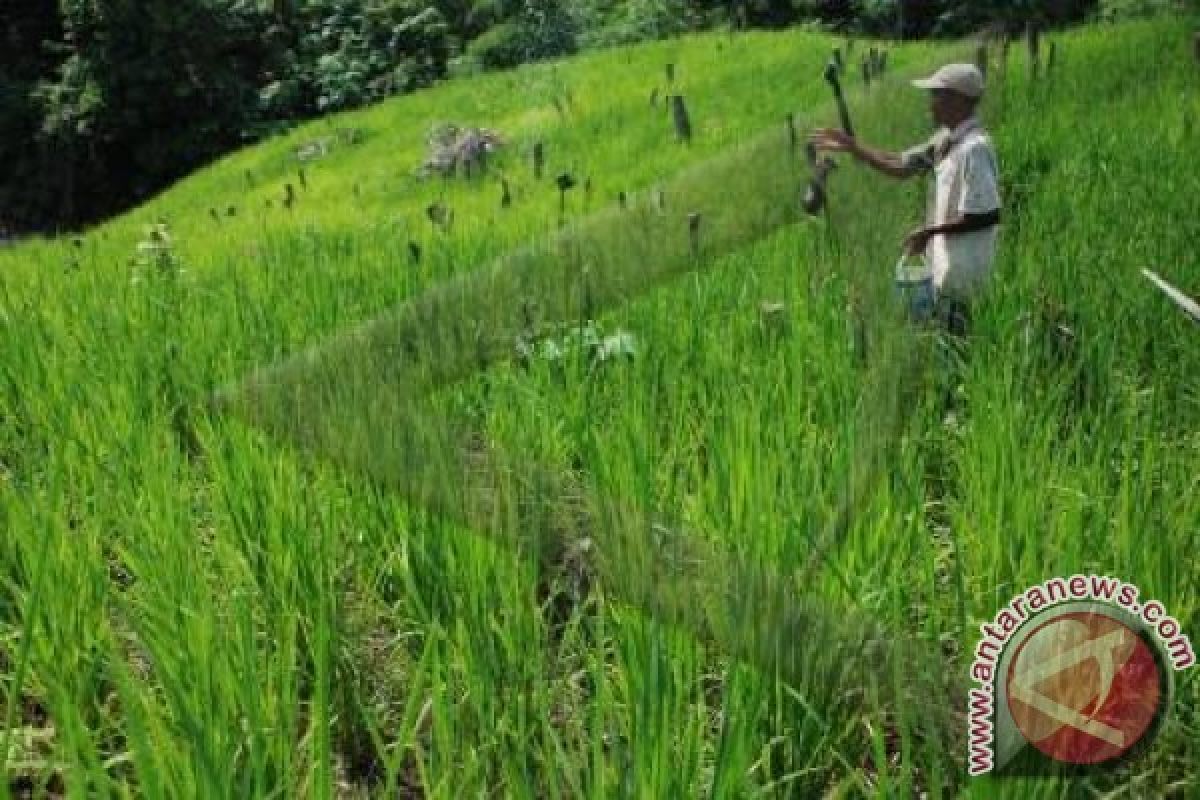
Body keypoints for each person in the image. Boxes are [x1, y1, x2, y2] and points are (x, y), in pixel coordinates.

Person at [809, 63, 1001, 335]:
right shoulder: (946, 142)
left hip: (967, 272)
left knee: (961, 340)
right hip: (947, 269)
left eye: (937, 95)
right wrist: (853, 147)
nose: (931, 103)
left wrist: (930, 232)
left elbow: (988, 213)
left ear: (958, 100)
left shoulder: (975, 148)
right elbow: (900, 164)